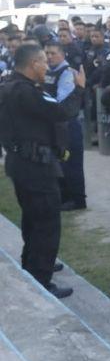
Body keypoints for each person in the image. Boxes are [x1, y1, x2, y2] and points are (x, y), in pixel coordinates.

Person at [0, 43, 86, 297]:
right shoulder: (26, 92)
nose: (47, 67)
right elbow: (61, 112)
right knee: (47, 223)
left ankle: (33, 266)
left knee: (32, 220)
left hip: (20, 163)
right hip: (36, 166)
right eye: (44, 63)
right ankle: (41, 279)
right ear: (33, 64)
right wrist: (79, 88)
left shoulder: (7, 87)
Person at [42, 41, 87, 211]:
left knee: (71, 163)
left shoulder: (68, 73)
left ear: (63, 54)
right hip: (55, 124)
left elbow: (61, 101)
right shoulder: (49, 72)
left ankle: (77, 200)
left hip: (68, 124)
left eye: (53, 53)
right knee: (60, 163)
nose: (49, 56)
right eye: (47, 53)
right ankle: (64, 197)